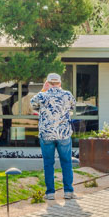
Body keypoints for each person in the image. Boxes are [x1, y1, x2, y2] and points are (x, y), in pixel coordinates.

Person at [30, 72, 76, 200]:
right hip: (64, 134)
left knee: (48, 164)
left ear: (48, 83)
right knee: (66, 162)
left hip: (46, 134)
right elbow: (73, 106)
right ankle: (68, 191)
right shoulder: (67, 95)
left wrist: (44, 89)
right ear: (60, 83)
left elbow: (32, 104)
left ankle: (50, 193)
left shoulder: (42, 95)